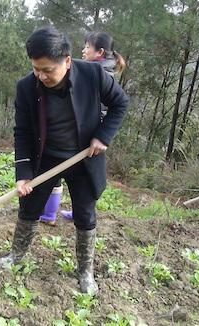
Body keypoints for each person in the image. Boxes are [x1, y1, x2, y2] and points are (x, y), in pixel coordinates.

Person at [0, 26, 129, 294]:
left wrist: (103, 136)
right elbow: (21, 132)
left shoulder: (92, 75)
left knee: (85, 215)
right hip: (46, 157)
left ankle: (85, 272)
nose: (40, 75)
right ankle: (15, 256)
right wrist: (23, 173)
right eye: (36, 69)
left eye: (47, 70)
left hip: (84, 158)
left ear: (67, 61)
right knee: (29, 209)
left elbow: (120, 103)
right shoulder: (26, 87)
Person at [41, 31, 127, 223]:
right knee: (58, 173)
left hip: (88, 137)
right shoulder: (95, 69)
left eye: (88, 47)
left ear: (100, 52)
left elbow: (115, 105)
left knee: (84, 180)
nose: (83, 50)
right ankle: (50, 213)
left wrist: (102, 136)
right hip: (78, 136)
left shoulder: (99, 73)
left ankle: (65, 213)